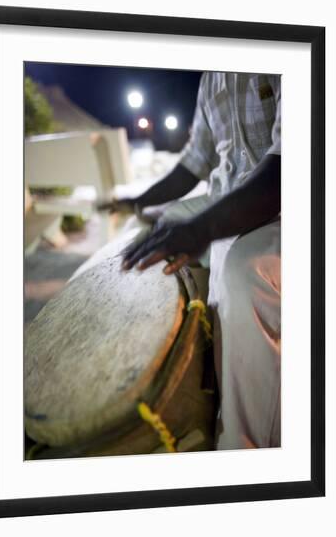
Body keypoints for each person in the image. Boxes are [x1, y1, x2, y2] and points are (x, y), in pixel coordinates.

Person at [101, 72, 281, 450]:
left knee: (245, 272)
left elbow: (287, 171)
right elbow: (194, 164)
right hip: (229, 198)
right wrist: (139, 203)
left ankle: (248, 450)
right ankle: (215, 395)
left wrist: (201, 229)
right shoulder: (210, 79)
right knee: (166, 224)